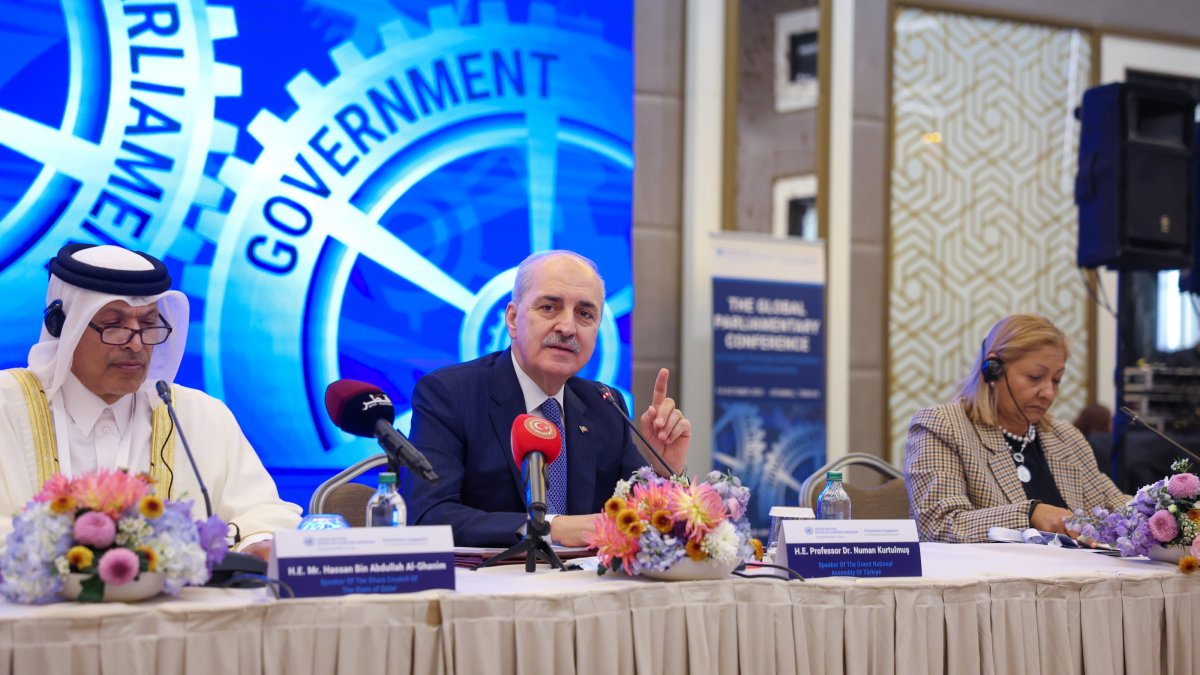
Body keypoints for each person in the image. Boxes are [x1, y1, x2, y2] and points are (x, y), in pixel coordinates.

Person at [0, 244, 301, 559]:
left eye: (147, 324)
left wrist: (256, 542)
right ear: (63, 325)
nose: (136, 344)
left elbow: (263, 511)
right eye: (114, 325)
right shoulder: (6, 407)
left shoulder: (199, 415)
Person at [407, 250, 690, 547]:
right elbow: (430, 515)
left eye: (584, 314)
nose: (567, 328)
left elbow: (648, 522)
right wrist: (551, 529)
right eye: (549, 308)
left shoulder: (605, 404)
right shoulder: (449, 394)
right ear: (513, 319)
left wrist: (667, 470)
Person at [904, 314, 1127, 543]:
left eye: (1056, 380)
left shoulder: (1065, 437)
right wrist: (1030, 514)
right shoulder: (943, 425)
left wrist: (1150, 511)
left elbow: (1115, 507)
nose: (1048, 393)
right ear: (993, 370)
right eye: (1035, 377)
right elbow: (938, 526)